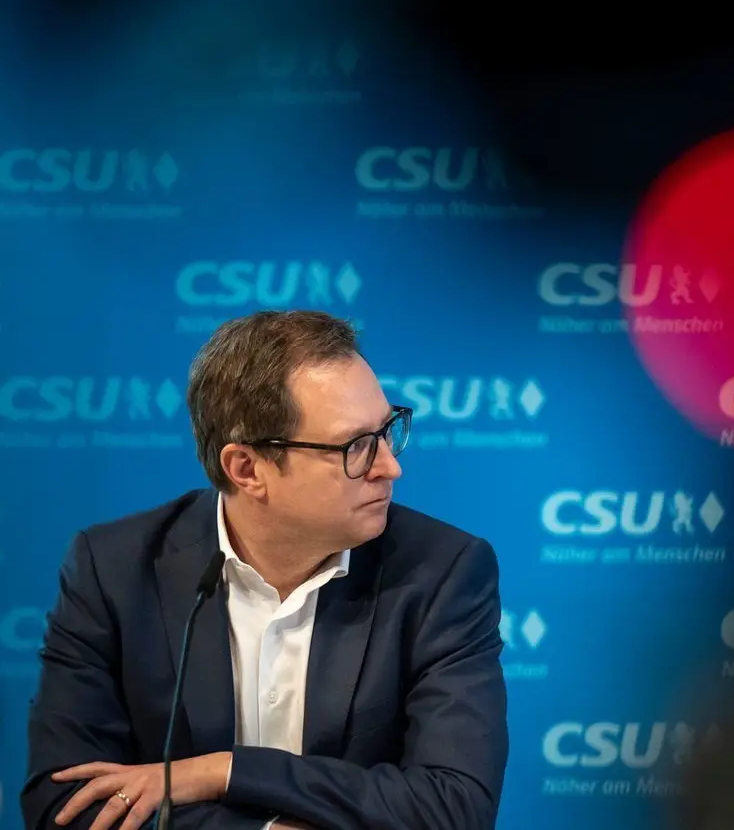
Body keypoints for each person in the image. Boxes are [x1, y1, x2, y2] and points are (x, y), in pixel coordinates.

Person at [20, 310, 509, 830]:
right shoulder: (113, 570)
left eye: (387, 431)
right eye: (356, 447)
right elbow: (66, 803)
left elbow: (455, 807)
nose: (390, 466)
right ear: (247, 469)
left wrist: (225, 771)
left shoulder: (444, 572)